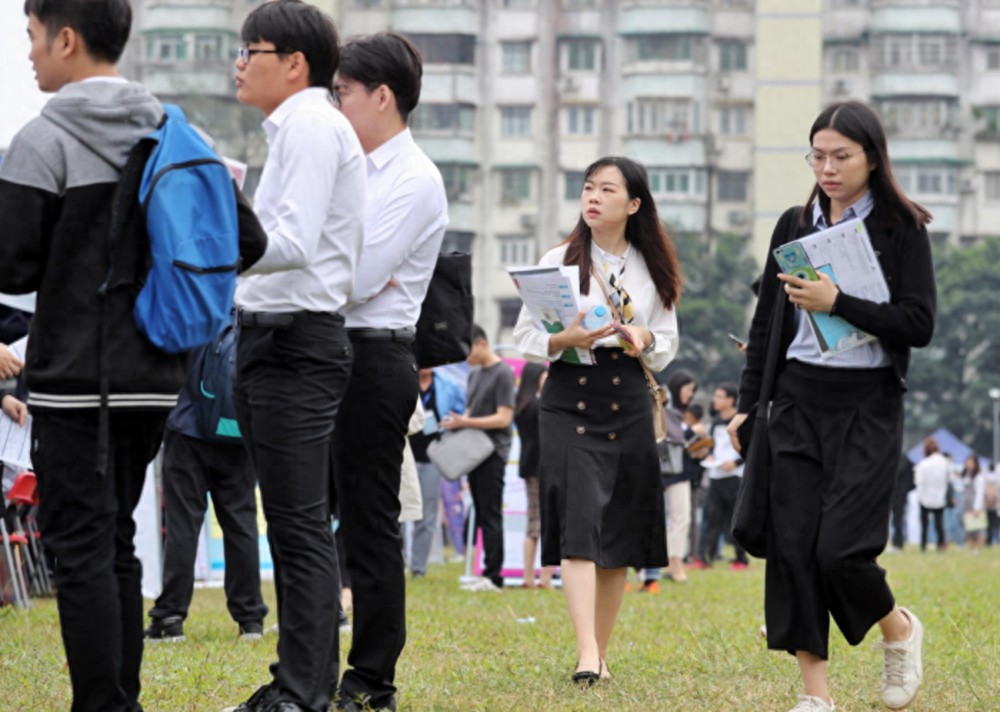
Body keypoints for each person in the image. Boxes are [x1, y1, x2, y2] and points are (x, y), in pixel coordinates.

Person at [0, 3, 267, 712]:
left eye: (30, 37)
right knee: (113, 534)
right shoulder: (177, 132)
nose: (28, 54)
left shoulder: (43, 138)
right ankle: (121, 701)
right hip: (156, 377)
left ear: (66, 38)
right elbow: (249, 241)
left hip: (74, 379)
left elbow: (12, 263)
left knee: (79, 544)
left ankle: (104, 706)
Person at [728, 100, 935, 712]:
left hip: (866, 404)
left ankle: (898, 628)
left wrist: (836, 299)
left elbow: (918, 324)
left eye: (841, 156)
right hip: (795, 397)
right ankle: (815, 697)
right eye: (818, 155)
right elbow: (766, 322)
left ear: (873, 157)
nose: (828, 167)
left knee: (840, 549)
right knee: (792, 547)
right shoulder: (794, 224)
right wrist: (747, 403)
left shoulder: (903, 229)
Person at [226, 2, 366, 711]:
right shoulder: (295, 129)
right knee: (290, 519)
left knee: (299, 523)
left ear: (295, 63)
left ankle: (304, 692)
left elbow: (291, 245)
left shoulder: (311, 125)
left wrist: (217, 226)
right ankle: (294, 679)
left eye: (250, 49)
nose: (239, 63)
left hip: (295, 341)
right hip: (272, 338)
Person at [514, 156, 681, 684]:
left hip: (628, 396)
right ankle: (586, 652)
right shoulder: (558, 259)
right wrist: (565, 339)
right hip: (570, 395)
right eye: (588, 188)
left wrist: (646, 338)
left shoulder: (652, 267)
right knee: (581, 521)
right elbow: (524, 338)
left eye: (607, 190)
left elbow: (668, 339)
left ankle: (600, 654)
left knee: (620, 532)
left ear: (633, 204)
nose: (593, 197)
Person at [329, 31, 449, 712]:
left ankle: (372, 679)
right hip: (321, 350)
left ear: (382, 96)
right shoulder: (347, 167)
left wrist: (319, 260)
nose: (335, 102)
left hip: (374, 360)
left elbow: (359, 276)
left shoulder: (414, 178)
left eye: (342, 91)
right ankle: (306, 671)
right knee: (305, 518)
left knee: (368, 523)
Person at [144, 338, 269, 643]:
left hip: (187, 429)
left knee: (183, 526)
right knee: (241, 525)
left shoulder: (193, 299)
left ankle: (171, 616)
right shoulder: (249, 301)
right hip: (236, 430)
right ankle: (250, 619)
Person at [442, 326, 516, 593]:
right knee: (481, 514)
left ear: (482, 344)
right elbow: (471, 412)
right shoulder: (474, 375)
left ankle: (494, 577)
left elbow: (504, 418)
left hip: (493, 452)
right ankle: (486, 572)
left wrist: (466, 421)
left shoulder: (504, 372)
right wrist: (458, 424)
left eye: (468, 350)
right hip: (473, 452)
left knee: (491, 514)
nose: (465, 357)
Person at [408, 368, 465, 578]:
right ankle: (394, 563)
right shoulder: (407, 379)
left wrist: (452, 425)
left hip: (434, 457)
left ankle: (418, 568)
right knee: (396, 511)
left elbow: (462, 411)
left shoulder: (447, 383)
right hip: (404, 456)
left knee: (427, 514)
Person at [699, 384, 748, 571]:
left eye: (719, 396)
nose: (715, 400)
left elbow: (749, 449)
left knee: (735, 520)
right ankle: (706, 558)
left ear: (730, 399)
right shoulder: (715, 421)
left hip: (734, 477)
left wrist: (735, 463)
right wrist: (710, 455)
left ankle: (741, 559)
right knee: (712, 519)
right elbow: (713, 446)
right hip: (715, 476)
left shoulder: (741, 420)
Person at [514, 362, 553, 590]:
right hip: (544, 467)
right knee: (547, 523)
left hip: (529, 466)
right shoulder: (540, 405)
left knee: (533, 522)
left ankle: (528, 576)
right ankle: (544, 578)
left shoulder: (522, 404)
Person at [914, 438, 950, 553]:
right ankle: (940, 547)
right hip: (940, 498)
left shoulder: (923, 464)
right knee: (939, 525)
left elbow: (919, 482)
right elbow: (949, 480)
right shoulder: (945, 463)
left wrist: (920, 497)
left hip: (925, 498)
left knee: (925, 526)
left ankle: (923, 547)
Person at [960, 456, 987, 554]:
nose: (968, 464)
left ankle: (978, 549)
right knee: (969, 528)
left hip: (975, 505)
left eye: (970, 462)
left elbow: (980, 493)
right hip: (966, 505)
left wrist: (977, 507)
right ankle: (971, 549)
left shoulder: (978, 476)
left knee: (978, 528)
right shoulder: (966, 475)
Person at [889, 458, 915, 552]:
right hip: (901, 494)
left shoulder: (896, 461)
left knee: (897, 520)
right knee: (898, 520)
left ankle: (898, 543)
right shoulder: (907, 461)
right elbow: (913, 482)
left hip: (896, 494)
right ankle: (898, 543)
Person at [985, 465, 1000, 547]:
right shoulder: (997, 479)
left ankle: (988, 540)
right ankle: (995, 540)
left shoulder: (985, 478)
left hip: (986, 505)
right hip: (995, 505)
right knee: (995, 525)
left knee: (987, 524)